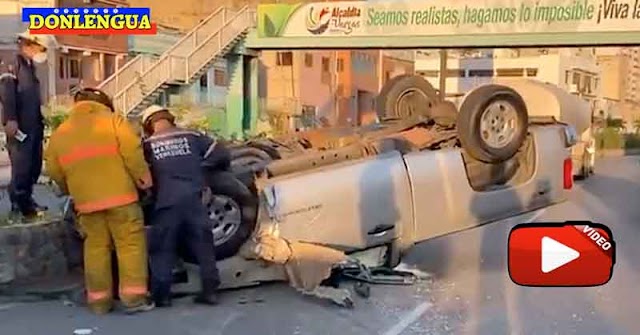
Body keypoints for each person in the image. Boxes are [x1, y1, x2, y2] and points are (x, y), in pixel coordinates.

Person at [44, 88, 155, 314]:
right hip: (121, 198)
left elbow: (54, 171)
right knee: (130, 246)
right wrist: (144, 180)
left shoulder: (60, 133)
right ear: (103, 103)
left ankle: (99, 302)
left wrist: (72, 190)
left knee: (95, 249)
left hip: (86, 204)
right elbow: (132, 153)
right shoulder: (113, 121)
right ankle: (134, 299)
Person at [140, 104, 230, 307]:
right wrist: (201, 170)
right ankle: (210, 292)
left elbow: (141, 175)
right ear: (170, 118)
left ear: (148, 124)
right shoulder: (192, 136)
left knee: (163, 249)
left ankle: (162, 296)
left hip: (166, 203)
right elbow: (221, 154)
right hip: (194, 200)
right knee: (204, 247)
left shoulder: (147, 145)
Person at [0, 31, 57, 218]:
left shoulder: (29, 67)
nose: (43, 53)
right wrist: (10, 118)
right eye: (42, 48)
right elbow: (7, 91)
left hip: (33, 125)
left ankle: (27, 200)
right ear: (30, 44)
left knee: (34, 166)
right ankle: (21, 206)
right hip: (20, 126)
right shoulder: (13, 64)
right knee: (22, 168)